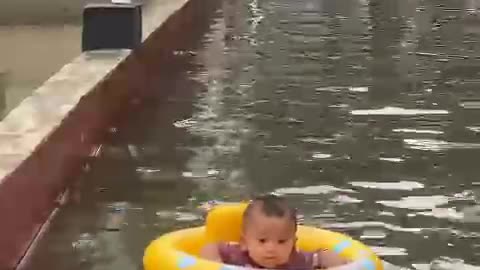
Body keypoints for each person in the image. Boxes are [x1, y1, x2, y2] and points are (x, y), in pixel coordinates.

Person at [200, 194, 349, 269]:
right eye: (262, 241)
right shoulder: (237, 256)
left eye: (282, 241)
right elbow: (209, 247)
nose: (271, 248)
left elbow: (324, 254)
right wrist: (216, 265)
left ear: (293, 244)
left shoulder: (296, 260)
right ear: (245, 242)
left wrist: (340, 265)